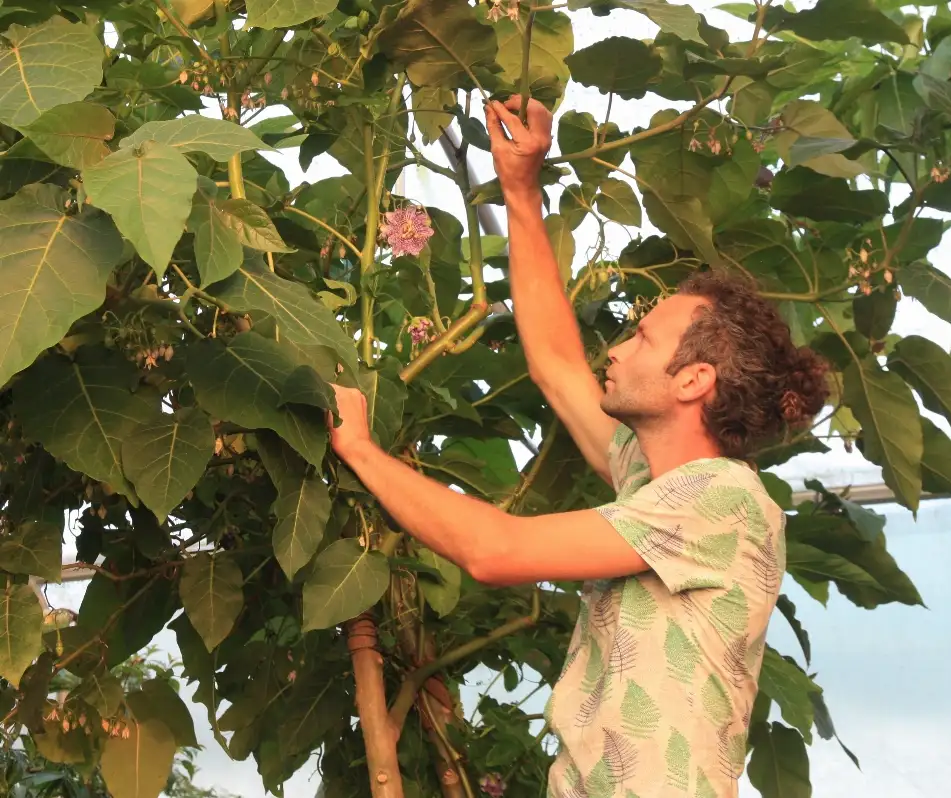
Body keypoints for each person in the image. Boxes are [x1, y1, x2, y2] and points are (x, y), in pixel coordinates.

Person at [326, 95, 829, 797]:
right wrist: (520, 189)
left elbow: (495, 551)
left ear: (693, 380)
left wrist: (362, 451)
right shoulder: (655, 486)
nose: (617, 349)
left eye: (643, 337)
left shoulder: (720, 501)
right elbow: (558, 367)